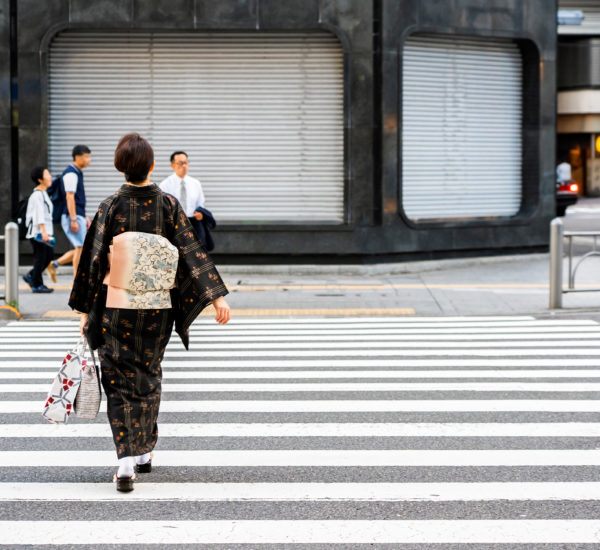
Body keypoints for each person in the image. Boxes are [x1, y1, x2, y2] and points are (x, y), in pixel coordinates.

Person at [69, 133, 230, 493]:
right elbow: (191, 250)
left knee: (119, 379)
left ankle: (125, 462)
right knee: (148, 374)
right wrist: (216, 297)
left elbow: (93, 262)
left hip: (117, 307)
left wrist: (84, 310)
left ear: (119, 166)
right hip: (157, 308)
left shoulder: (109, 206)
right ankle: (144, 453)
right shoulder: (169, 205)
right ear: (154, 166)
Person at [159, 151, 210, 244]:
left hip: (193, 224)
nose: (184, 166)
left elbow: (201, 204)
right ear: (172, 165)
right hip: (175, 226)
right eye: (180, 163)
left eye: (186, 162)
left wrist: (200, 214)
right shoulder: (165, 185)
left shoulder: (195, 183)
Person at [60, 145, 91, 277]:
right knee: (80, 247)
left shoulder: (77, 172)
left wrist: (85, 216)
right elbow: (70, 197)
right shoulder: (71, 173)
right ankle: (77, 278)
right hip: (72, 216)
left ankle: (56, 264)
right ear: (77, 157)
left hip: (78, 214)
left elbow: (77, 198)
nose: (89, 160)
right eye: (86, 157)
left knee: (81, 247)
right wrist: (73, 219)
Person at [23, 167, 55, 293]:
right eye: (47, 175)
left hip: (43, 232)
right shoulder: (37, 195)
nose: (50, 176)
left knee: (47, 257)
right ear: (40, 180)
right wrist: (44, 232)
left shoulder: (43, 193)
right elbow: (39, 215)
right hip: (38, 233)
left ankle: (31, 276)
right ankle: (36, 284)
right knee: (41, 258)